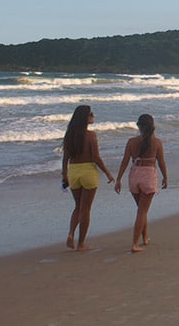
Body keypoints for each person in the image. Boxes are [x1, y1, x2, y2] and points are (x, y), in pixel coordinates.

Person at [62, 105, 114, 251]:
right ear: (85, 117)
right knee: (86, 209)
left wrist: (64, 174)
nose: (93, 116)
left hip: (73, 172)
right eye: (91, 114)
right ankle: (81, 244)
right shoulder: (91, 135)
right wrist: (107, 173)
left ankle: (71, 234)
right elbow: (96, 157)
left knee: (77, 206)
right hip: (88, 172)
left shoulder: (69, 135)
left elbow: (65, 157)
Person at [115, 114, 168, 253]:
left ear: (138, 126)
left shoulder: (131, 142)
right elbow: (161, 162)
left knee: (141, 209)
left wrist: (119, 179)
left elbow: (125, 161)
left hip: (134, 175)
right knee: (142, 211)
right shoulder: (157, 142)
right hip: (148, 175)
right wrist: (165, 177)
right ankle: (134, 243)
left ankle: (145, 237)